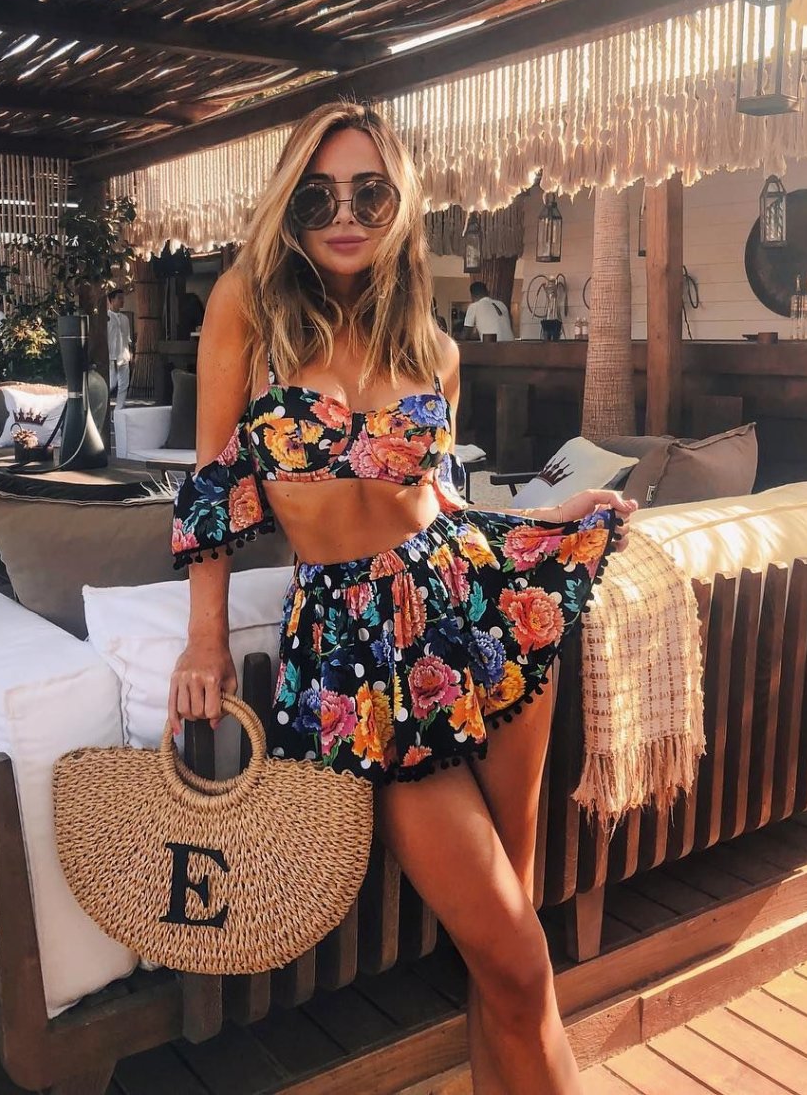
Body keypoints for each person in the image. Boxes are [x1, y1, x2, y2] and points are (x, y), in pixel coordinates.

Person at [168, 103, 634, 1095]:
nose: (344, 214)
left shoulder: (432, 348)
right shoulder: (248, 308)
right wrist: (202, 642)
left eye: (368, 193)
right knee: (515, 957)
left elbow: (435, 499)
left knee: (507, 943)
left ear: (401, 203)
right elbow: (212, 486)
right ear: (289, 206)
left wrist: (545, 519)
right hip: (357, 654)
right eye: (318, 195)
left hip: (475, 614)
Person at [107, 288, 132, 402]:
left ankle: (119, 410)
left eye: (123, 298)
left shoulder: (125, 318)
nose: (122, 301)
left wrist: (131, 353)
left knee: (124, 385)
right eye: (119, 298)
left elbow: (128, 338)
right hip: (112, 356)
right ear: (112, 300)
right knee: (111, 384)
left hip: (124, 356)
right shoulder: (106, 318)